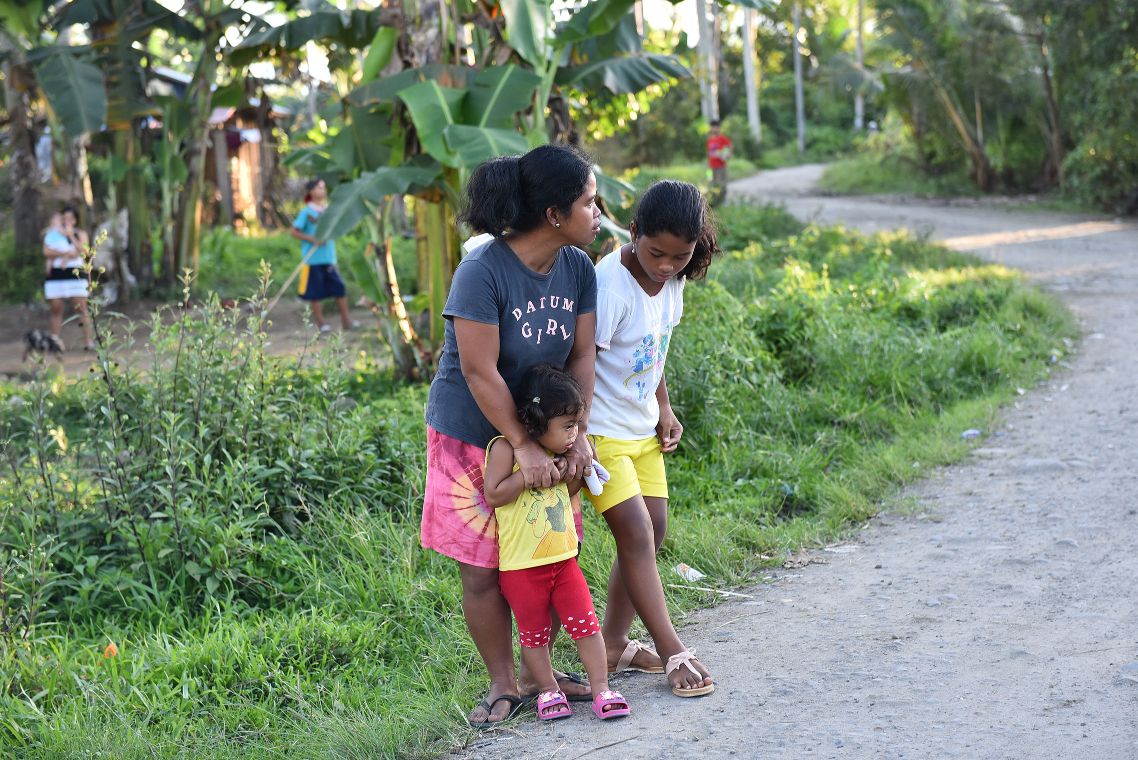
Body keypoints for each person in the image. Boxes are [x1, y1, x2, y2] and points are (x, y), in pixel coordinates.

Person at [420, 144, 601, 728]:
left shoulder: (577, 268)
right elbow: (479, 371)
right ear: (554, 214)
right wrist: (520, 444)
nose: (597, 213)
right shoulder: (481, 272)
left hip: (545, 436)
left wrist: (577, 436)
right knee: (482, 568)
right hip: (473, 433)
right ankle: (504, 683)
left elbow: (581, 358)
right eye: (589, 202)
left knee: (544, 555)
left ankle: (538, 674)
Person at [589, 180, 720, 697]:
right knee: (637, 534)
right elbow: (581, 362)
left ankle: (615, 642)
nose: (667, 266)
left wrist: (663, 407)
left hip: (641, 429)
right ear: (635, 232)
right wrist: (573, 438)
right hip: (599, 434)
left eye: (680, 257)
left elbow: (654, 351)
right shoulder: (609, 285)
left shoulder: (675, 282)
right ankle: (672, 650)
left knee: (655, 528)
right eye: (656, 253)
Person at [483, 364, 630, 722]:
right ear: (536, 422)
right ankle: (547, 690)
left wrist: (573, 473)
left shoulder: (561, 451)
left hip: (563, 561)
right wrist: (527, 478)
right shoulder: (506, 448)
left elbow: (567, 493)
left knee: (586, 624)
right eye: (567, 426)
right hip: (521, 568)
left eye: (578, 425)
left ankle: (601, 689)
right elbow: (493, 493)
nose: (575, 434)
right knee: (533, 634)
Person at [290, 179, 355, 334]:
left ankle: (346, 321)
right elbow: (294, 232)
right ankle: (321, 323)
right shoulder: (306, 212)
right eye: (320, 188)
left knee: (340, 288)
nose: (323, 191)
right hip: (312, 260)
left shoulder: (328, 211)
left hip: (329, 258)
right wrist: (313, 239)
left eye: (324, 188)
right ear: (311, 191)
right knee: (315, 293)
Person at [43, 206, 95, 351]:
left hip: (76, 275)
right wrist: (67, 254)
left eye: (70, 218)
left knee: (82, 308)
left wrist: (71, 236)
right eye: (64, 218)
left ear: (75, 220)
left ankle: (88, 341)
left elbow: (85, 252)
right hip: (56, 275)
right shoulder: (53, 233)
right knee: (55, 308)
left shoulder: (80, 234)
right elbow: (47, 251)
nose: (67, 221)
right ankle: (55, 340)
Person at [706, 120, 733, 205]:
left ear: (718, 128)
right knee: (710, 182)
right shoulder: (710, 140)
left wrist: (727, 154)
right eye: (712, 127)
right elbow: (709, 152)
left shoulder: (722, 138)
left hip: (720, 166)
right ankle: (713, 201)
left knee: (721, 184)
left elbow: (730, 146)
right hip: (710, 166)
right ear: (711, 128)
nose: (714, 128)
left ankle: (722, 201)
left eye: (716, 127)